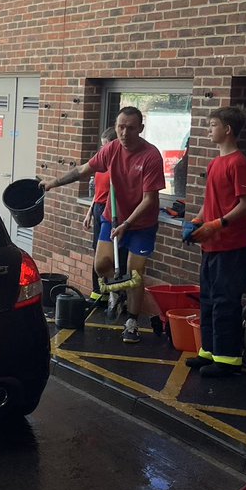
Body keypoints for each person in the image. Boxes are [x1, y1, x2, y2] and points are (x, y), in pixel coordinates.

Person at [42, 106, 165, 344]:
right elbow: (83, 170)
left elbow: (150, 200)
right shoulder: (111, 149)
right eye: (120, 127)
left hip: (141, 222)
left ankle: (131, 322)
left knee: (135, 274)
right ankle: (116, 292)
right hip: (113, 216)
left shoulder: (151, 156)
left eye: (130, 128)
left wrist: (128, 224)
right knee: (101, 265)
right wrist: (53, 182)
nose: (124, 132)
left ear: (140, 129)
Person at [182, 106, 246, 377]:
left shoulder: (239, 163)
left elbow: (245, 205)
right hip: (211, 247)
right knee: (209, 300)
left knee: (226, 302)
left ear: (228, 130)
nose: (209, 129)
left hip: (233, 249)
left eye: (213, 125)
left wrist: (217, 224)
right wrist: (198, 222)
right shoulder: (215, 163)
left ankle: (228, 360)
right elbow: (210, 204)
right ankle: (209, 351)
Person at [82, 127, 118, 303]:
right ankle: (97, 291)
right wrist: (89, 212)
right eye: (102, 145)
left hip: (110, 209)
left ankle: (111, 292)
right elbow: (97, 192)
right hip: (98, 207)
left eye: (107, 145)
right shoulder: (101, 164)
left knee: (107, 253)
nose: (103, 149)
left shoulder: (116, 166)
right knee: (96, 248)